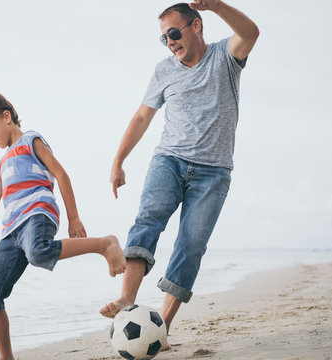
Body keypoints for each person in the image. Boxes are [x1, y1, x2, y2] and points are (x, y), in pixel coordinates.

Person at [99, 0, 259, 350]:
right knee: (147, 222)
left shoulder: (225, 56)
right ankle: (127, 300)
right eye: (164, 38)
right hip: (168, 161)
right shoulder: (163, 71)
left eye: (174, 33)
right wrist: (118, 160)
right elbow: (141, 118)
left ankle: (161, 328)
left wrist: (216, 5)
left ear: (195, 26)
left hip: (213, 173)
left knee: (191, 247)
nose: (170, 42)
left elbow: (251, 33)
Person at [0, 92, 127, 360]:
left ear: (7, 117)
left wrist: (74, 217)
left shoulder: (31, 141)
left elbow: (61, 174)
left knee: (38, 252)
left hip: (37, 213)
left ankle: (105, 243)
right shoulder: (3, 161)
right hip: (10, 231)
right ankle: (6, 356)